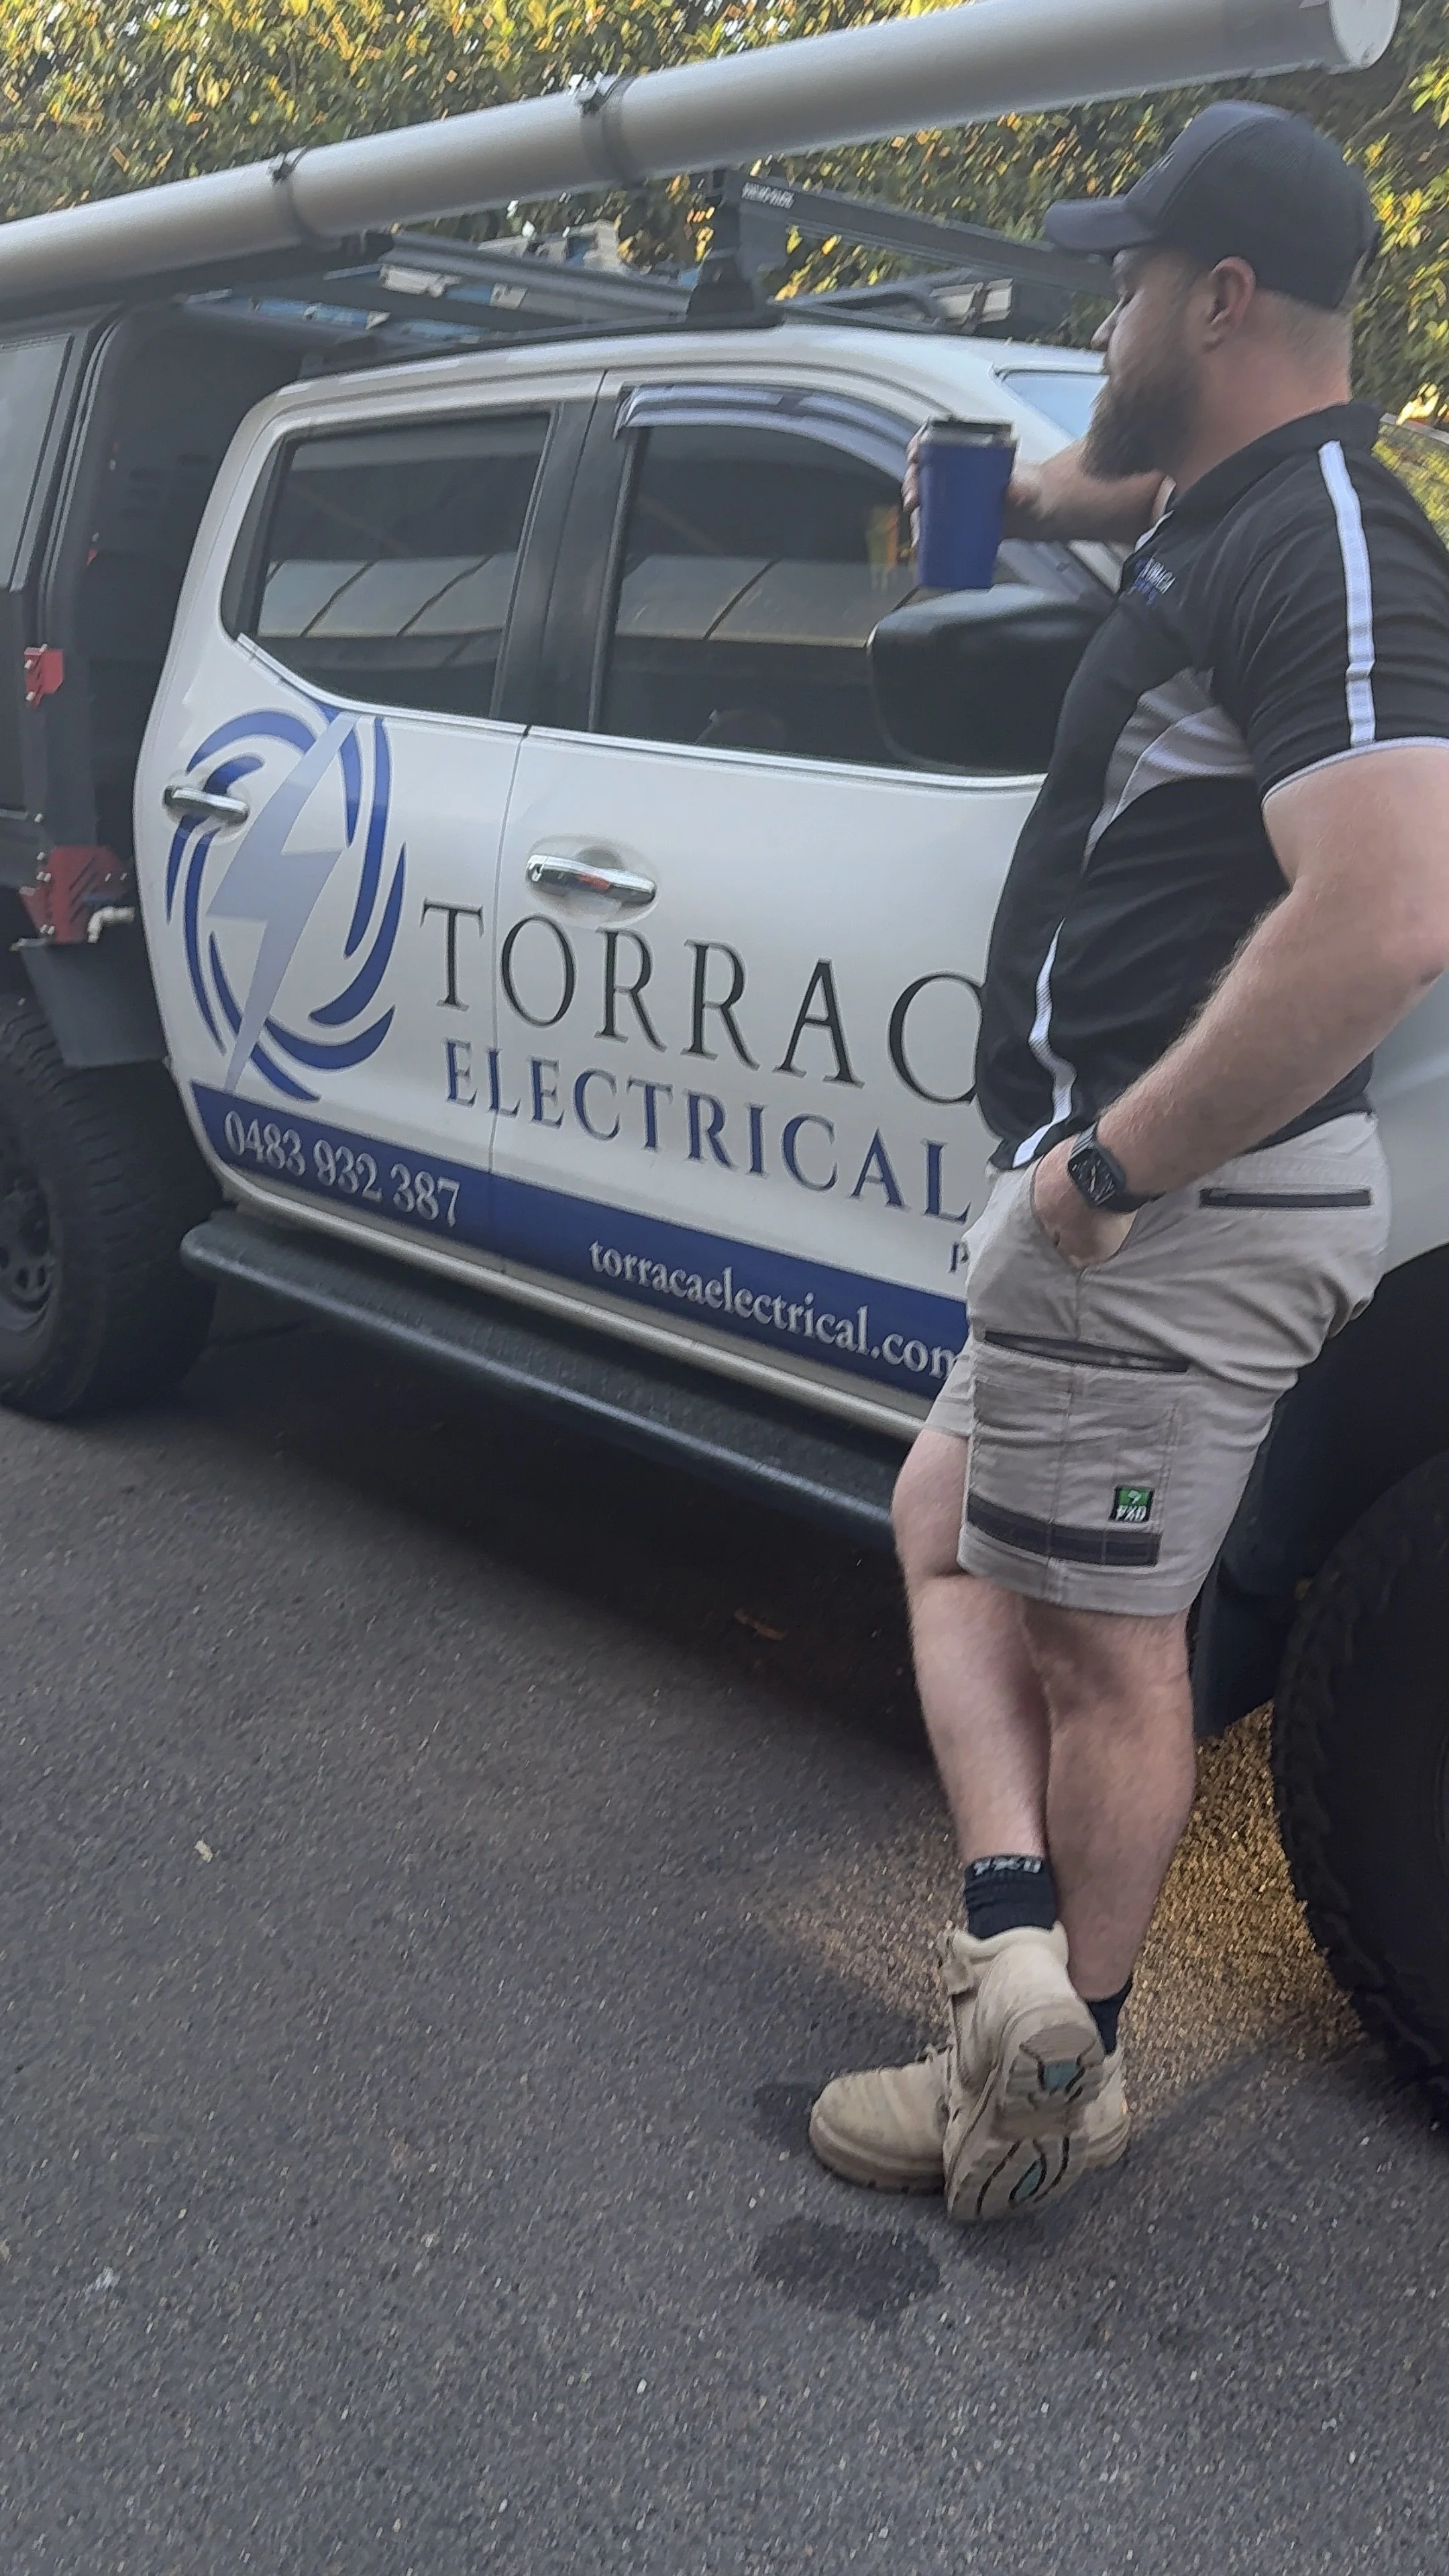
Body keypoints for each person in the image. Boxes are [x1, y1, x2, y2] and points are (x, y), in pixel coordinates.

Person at [810, 102, 1449, 2222]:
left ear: (1224, 297)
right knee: (940, 1519)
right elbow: (1119, 480)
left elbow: (1385, 911)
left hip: (1165, 1210)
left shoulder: (1334, 539)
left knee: (1111, 1650)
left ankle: (1035, 2092)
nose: (1106, 310)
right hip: (1115, 1206)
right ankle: (1022, 1969)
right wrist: (1002, 501)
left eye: (1125, 280)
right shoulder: (1223, 502)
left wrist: (1106, 1171)